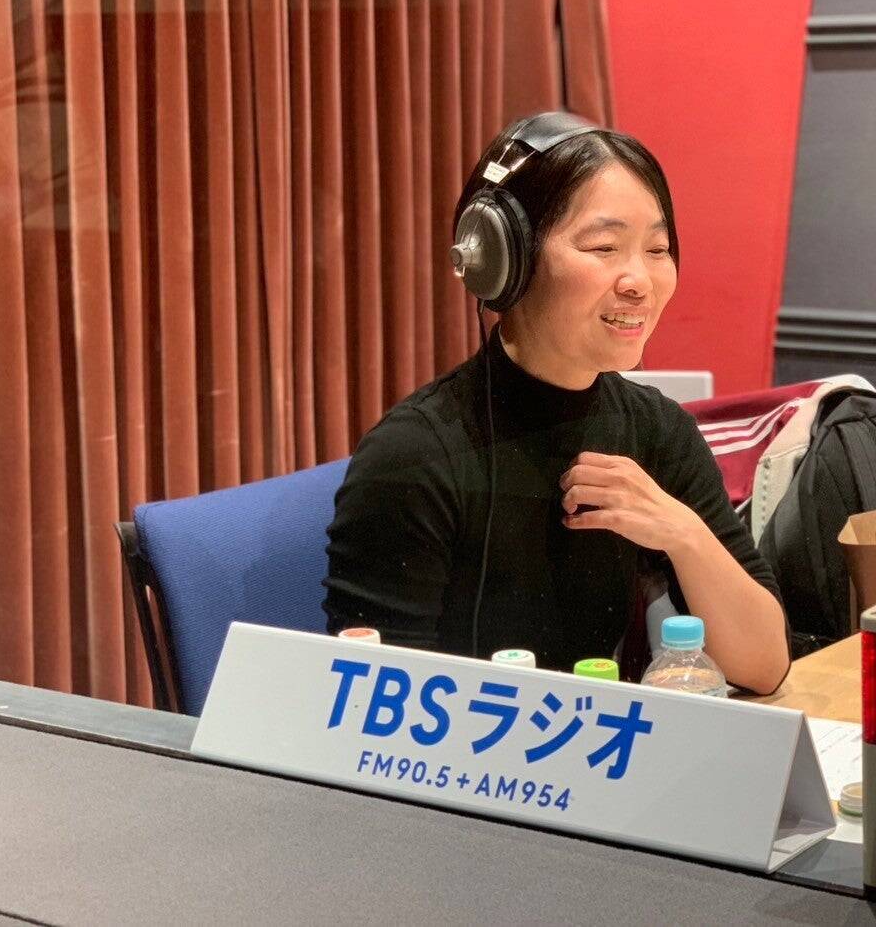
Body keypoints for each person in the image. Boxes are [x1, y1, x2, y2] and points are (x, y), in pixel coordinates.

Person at [323, 112, 789, 693]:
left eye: (657, 249)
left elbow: (763, 664)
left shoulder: (656, 431)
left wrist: (682, 533)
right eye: (603, 247)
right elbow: (369, 703)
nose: (639, 281)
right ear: (505, 259)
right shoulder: (416, 454)